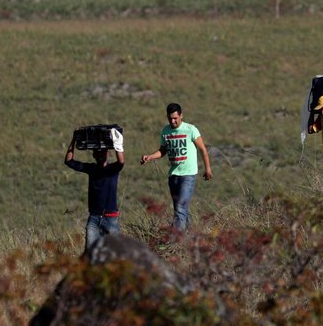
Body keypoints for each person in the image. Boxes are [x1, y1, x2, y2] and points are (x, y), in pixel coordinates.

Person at [140, 103, 213, 232]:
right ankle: (191, 236)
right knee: (180, 209)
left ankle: (176, 240)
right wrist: (150, 157)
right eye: (170, 118)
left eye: (175, 118)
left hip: (188, 174)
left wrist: (208, 169)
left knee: (180, 207)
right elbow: (163, 150)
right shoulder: (166, 131)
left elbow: (203, 149)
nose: (173, 121)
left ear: (181, 116)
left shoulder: (191, 129)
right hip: (173, 175)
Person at [65, 127, 125, 252]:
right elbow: (69, 161)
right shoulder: (91, 169)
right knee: (90, 252)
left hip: (111, 218)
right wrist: (74, 139)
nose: (100, 154)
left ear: (107, 153)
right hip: (94, 217)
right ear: (94, 155)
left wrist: (118, 145)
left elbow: (121, 162)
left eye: (102, 152)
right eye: (97, 152)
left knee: (115, 253)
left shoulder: (112, 169)